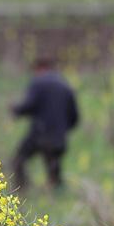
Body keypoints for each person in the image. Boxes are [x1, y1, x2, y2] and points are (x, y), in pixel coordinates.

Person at [10, 57, 79, 190]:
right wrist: (62, 129)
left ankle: (21, 191)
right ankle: (57, 197)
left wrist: (15, 110)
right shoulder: (65, 86)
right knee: (54, 169)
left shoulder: (39, 82)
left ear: (40, 68)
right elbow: (75, 117)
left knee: (18, 160)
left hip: (40, 134)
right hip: (59, 137)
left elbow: (29, 105)